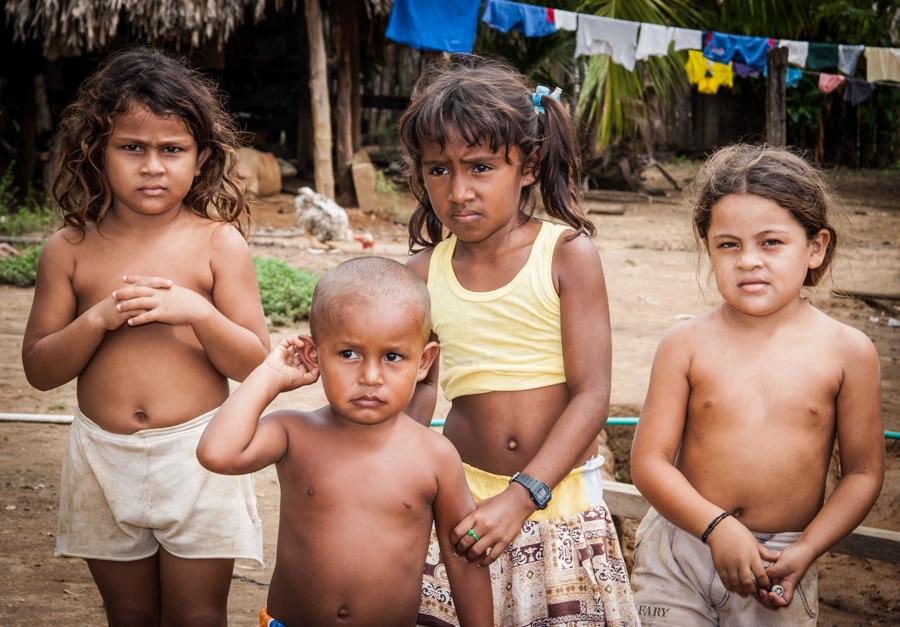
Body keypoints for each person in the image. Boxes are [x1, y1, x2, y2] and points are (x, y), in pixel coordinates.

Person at [21, 47, 269, 625]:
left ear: (201, 156)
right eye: (132, 147)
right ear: (97, 152)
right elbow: (39, 369)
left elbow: (256, 361)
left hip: (201, 457)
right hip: (101, 460)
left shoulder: (217, 244)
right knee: (127, 614)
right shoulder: (69, 250)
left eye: (172, 149)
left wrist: (197, 314)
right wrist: (96, 320)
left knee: (197, 614)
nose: (153, 166)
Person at [399, 55, 638, 626]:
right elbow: (420, 392)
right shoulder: (420, 272)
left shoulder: (565, 253)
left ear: (528, 166)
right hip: (461, 500)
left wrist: (521, 495)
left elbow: (591, 396)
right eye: (438, 169)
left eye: (480, 167)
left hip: (558, 502)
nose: (458, 190)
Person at [629, 144, 884, 625]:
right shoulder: (684, 344)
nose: (748, 260)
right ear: (708, 246)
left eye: (771, 242)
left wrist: (807, 548)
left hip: (780, 564)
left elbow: (864, 473)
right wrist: (716, 527)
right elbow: (649, 462)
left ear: (815, 247)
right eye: (729, 244)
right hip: (681, 548)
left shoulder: (848, 352)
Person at [197, 257, 493, 627]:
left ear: (424, 361)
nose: (370, 376)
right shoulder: (294, 433)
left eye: (392, 356)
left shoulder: (435, 456)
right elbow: (217, 452)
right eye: (348, 354)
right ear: (314, 354)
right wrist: (270, 375)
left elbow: (463, 557)